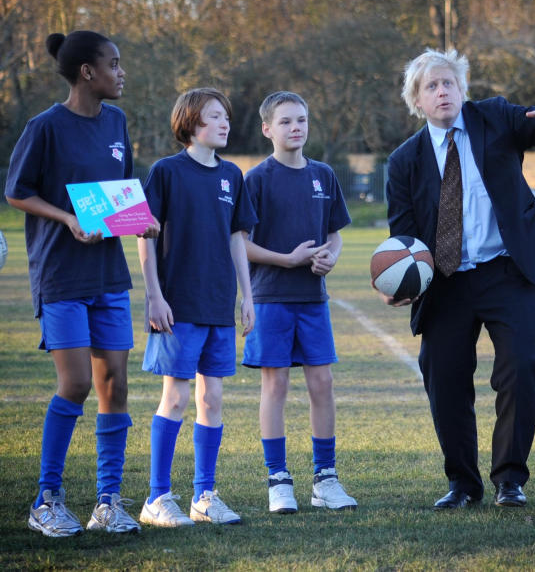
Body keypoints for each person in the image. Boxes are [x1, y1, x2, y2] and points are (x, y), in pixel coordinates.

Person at [382, 48, 535, 509]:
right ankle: (463, 484)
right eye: (431, 86)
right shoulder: (403, 161)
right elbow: (403, 235)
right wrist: (400, 282)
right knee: (444, 376)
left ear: (461, 89)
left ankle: (509, 479)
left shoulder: (493, 118)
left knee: (519, 368)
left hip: (506, 271)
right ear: (417, 100)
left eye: (448, 83)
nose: (442, 91)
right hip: (444, 282)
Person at [6, 30, 159, 536]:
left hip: (108, 274)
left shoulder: (116, 121)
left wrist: (141, 217)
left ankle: (108, 503)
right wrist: (67, 218)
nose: (122, 73)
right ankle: (46, 500)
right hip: (60, 275)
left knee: (115, 383)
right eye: (114, 64)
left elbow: (121, 194)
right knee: (74, 383)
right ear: (87, 73)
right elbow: (17, 192)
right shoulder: (45, 126)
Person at [137, 87, 257, 526]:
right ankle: (157, 498)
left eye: (225, 116)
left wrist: (247, 295)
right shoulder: (166, 172)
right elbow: (144, 234)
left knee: (214, 397)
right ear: (190, 123)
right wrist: (154, 295)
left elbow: (236, 239)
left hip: (218, 305)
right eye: (213, 116)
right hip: (178, 306)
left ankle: (204, 495)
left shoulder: (233, 176)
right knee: (176, 396)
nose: (224, 123)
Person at [242, 91, 356, 513]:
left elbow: (336, 233)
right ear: (268, 129)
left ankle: (325, 479)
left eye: (302, 119)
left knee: (322, 383)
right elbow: (242, 245)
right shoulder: (256, 179)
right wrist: (286, 259)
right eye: (287, 121)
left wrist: (330, 255)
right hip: (270, 296)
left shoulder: (323, 175)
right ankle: (279, 481)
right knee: (276, 385)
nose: (297, 127)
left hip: (313, 298)